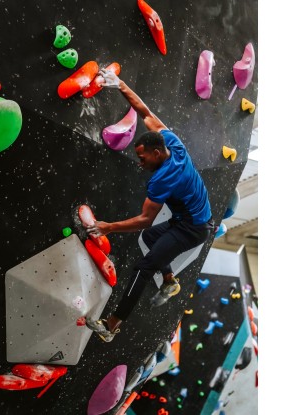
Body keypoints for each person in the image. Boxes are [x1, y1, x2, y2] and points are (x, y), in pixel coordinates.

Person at [86, 69, 214, 342]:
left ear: (157, 154)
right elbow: (145, 112)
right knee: (151, 237)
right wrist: (120, 84)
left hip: (193, 228)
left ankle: (111, 326)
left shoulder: (163, 179)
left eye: (143, 159)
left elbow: (145, 218)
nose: (140, 163)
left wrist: (108, 227)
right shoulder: (172, 143)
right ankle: (169, 281)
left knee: (143, 267)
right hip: (189, 218)